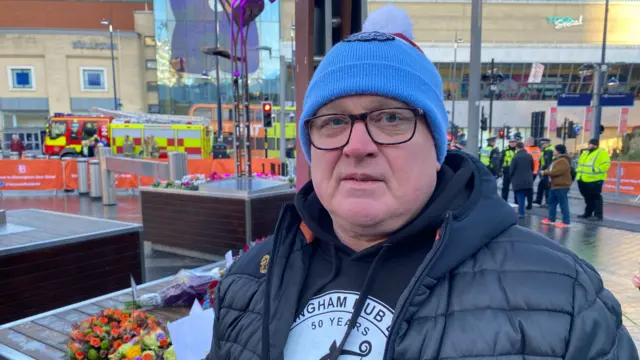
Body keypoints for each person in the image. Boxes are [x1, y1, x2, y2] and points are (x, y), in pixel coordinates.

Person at [209, 6, 637, 360]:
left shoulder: (565, 299)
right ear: (309, 144)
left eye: (391, 118)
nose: (357, 145)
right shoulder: (247, 283)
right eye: (333, 121)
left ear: (437, 143)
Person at [576, 139, 611, 221]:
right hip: (583, 178)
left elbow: (606, 165)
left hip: (595, 179)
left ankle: (598, 215)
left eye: (590, 144)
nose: (588, 146)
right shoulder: (585, 153)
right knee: (587, 197)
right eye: (589, 144)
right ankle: (588, 213)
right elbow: (580, 164)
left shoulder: (601, 153)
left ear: (595, 145)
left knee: (596, 197)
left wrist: (595, 170)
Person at [541, 144, 573, 227]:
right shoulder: (557, 160)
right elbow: (552, 169)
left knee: (563, 204)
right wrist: (546, 170)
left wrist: (545, 172)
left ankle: (566, 222)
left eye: (555, 150)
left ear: (558, 151)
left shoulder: (563, 160)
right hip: (554, 185)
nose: (553, 151)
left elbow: (556, 172)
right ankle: (551, 219)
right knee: (551, 202)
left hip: (561, 185)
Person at [509, 141, 534, 218]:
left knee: (520, 197)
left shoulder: (516, 157)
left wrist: (510, 177)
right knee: (528, 194)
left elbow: (512, 170)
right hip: (529, 179)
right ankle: (529, 206)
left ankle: (521, 212)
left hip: (518, 180)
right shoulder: (529, 156)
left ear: (517, 148)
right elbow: (532, 167)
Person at [534, 138, 554, 207]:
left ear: (546, 143)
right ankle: (538, 200)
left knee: (547, 187)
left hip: (547, 171)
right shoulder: (545, 150)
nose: (541, 145)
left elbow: (548, 163)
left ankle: (548, 202)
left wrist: (544, 170)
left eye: (542, 144)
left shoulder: (549, 150)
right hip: (543, 170)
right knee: (541, 186)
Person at [524, 137, 540, 209]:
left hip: (528, 171)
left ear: (529, 142)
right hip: (534, 172)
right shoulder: (537, 149)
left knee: (526, 188)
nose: (525, 143)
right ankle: (529, 203)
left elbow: (528, 161)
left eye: (526, 141)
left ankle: (527, 204)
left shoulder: (528, 150)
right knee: (529, 188)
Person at [500, 137, 517, 202]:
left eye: (513, 142)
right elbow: (500, 160)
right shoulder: (505, 150)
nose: (512, 143)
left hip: (516, 171)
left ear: (515, 143)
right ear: (509, 143)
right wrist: (500, 170)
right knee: (505, 187)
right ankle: (504, 200)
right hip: (507, 170)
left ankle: (516, 201)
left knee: (516, 187)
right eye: (511, 142)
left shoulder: (518, 150)